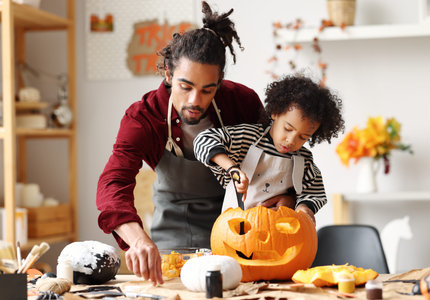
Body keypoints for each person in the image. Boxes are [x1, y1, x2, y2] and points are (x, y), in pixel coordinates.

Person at [96, 1, 279, 285]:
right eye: (186, 86)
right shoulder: (143, 117)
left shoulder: (242, 103)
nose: (195, 101)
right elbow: (113, 183)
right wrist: (138, 240)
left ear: (220, 82)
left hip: (240, 240)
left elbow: (275, 161)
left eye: (208, 90)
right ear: (168, 75)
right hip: (170, 246)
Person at [194, 74, 345, 222]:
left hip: (278, 233)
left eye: (303, 137)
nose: (291, 140)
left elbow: (314, 192)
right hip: (236, 231)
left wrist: (304, 208)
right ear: (275, 113)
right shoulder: (247, 138)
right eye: (288, 128)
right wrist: (232, 168)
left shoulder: (303, 159)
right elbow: (203, 140)